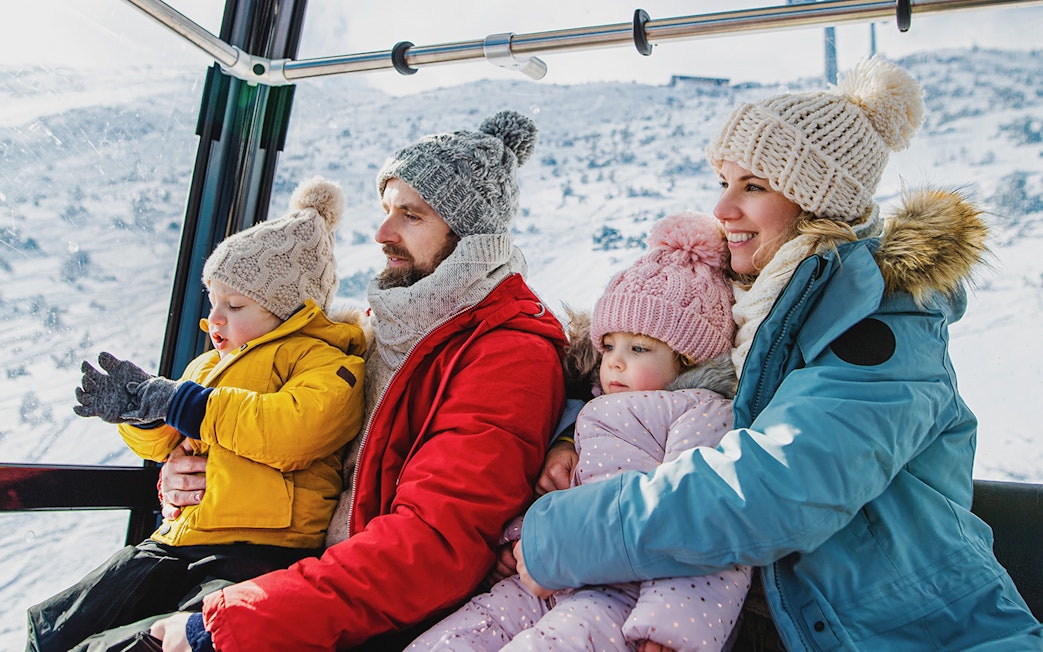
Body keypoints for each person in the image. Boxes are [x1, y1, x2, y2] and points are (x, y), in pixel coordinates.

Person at [515, 57, 1043, 650]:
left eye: (754, 186)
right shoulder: (748, 306)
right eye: (723, 181)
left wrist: (564, 536)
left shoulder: (884, 328)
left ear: (816, 204)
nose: (721, 209)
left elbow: (777, 488)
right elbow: (649, 374)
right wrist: (569, 440)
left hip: (912, 634)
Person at [150, 109, 568, 651]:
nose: (381, 232)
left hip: (371, 614)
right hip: (289, 567)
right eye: (386, 209)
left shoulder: (508, 355)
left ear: (468, 236)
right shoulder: (371, 331)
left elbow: (431, 546)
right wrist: (186, 476)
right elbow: (292, 437)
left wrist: (236, 623)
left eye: (411, 216)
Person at [26, 177, 369, 652]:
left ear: (290, 310)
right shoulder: (208, 367)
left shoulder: (326, 361)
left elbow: (292, 430)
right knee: (61, 627)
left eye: (235, 305)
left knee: (147, 643)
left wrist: (181, 401)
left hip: (256, 552)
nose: (216, 319)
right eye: (213, 301)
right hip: (177, 540)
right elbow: (167, 441)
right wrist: (142, 413)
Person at [409, 212, 751, 652]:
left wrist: (671, 631)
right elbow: (567, 497)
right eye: (609, 345)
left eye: (639, 348)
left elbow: (705, 523)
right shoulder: (587, 411)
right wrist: (519, 545)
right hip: (547, 581)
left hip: (620, 596)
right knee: (460, 634)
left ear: (687, 358)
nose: (615, 362)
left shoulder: (701, 413)